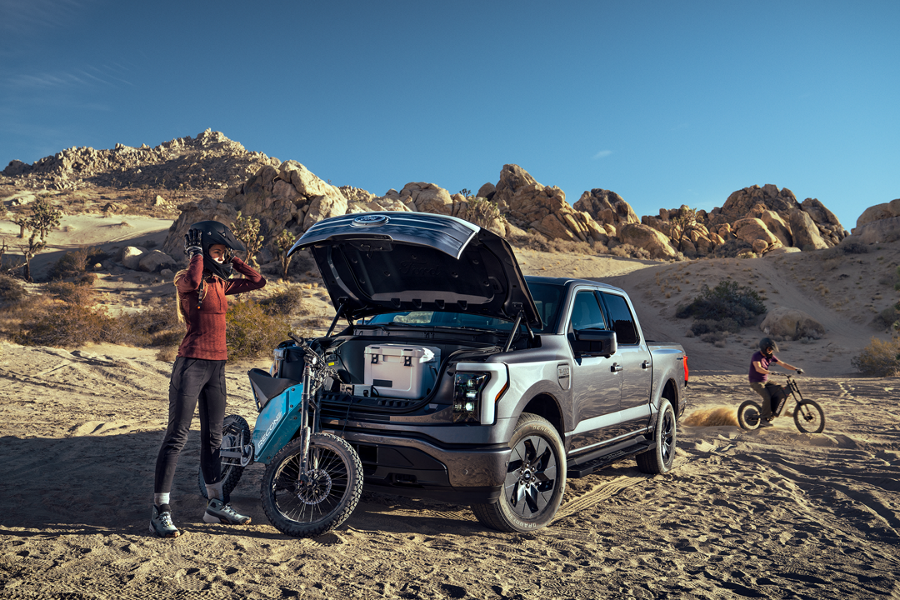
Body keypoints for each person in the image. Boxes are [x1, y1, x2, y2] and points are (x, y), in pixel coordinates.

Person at [150, 220, 266, 538]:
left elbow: (258, 281)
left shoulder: (220, 284)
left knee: (214, 438)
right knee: (176, 436)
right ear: (200, 252)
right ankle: (160, 511)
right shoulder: (188, 281)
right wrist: (197, 253)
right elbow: (193, 277)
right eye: (217, 251)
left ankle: (216, 505)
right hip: (191, 365)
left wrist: (234, 259)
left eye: (222, 252)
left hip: (217, 367)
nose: (221, 257)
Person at [748, 337, 803, 427]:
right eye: (769, 349)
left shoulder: (770, 356)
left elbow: (782, 364)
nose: (771, 351)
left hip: (765, 381)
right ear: (764, 348)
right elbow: (758, 368)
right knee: (767, 397)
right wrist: (770, 372)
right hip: (756, 382)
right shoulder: (756, 356)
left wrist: (796, 369)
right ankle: (763, 420)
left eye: (772, 349)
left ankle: (782, 410)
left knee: (781, 389)